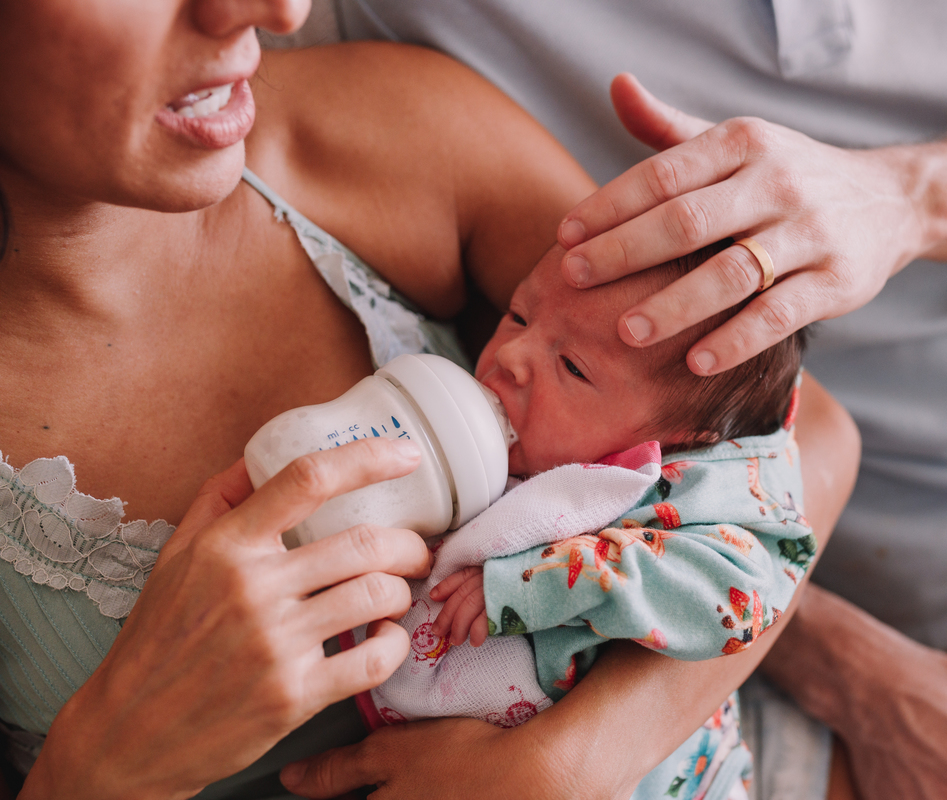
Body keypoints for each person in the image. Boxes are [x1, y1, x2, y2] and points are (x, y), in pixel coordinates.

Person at [330, 0, 947, 797]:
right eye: (517, 318)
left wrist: (910, 198)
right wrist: (845, 664)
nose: (513, 357)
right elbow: (730, 543)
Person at [0, 2, 861, 799]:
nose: (279, 10)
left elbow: (796, 441)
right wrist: (107, 760)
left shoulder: (379, 135)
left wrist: (563, 766)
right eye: (517, 317)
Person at [341, 241, 812, 799]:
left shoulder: (689, 497)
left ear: (678, 438)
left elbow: (730, 601)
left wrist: (531, 580)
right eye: (518, 315)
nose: (512, 355)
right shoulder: (517, 446)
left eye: (572, 367)